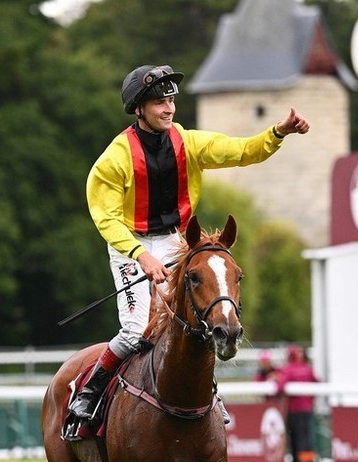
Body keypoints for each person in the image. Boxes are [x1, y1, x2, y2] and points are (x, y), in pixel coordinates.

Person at [69, 64, 311, 424]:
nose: (168, 109)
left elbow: (241, 151)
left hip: (172, 241)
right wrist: (139, 255)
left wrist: (278, 133)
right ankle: (89, 391)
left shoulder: (188, 142)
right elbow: (105, 217)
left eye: (170, 101)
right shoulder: (116, 158)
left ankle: (210, 393)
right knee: (137, 330)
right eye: (158, 103)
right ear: (139, 109)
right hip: (127, 242)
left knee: (193, 319)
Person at [275, 345, 319, 462]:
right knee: (306, 435)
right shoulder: (308, 369)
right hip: (307, 408)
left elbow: (280, 388)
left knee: (295, 435)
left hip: (294, 409)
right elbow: (317, 382)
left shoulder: (289, 369)